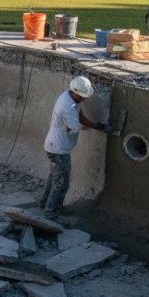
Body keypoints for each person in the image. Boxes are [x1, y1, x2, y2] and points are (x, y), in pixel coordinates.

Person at [40, 75, 107, 220]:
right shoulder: (68, 107)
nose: (84, 99)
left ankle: (45, 204)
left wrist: (97, 125)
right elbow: (74, 128)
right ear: (76, 92)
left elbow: (80, 116)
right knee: (62, 184)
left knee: (54, 178)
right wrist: (78, 128)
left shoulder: (69, 96)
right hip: (59, 150)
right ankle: (51, 214)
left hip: (53, 145)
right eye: (82, 96)